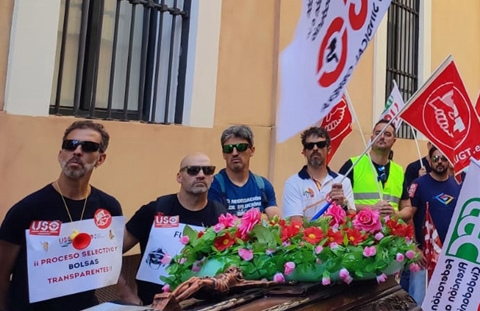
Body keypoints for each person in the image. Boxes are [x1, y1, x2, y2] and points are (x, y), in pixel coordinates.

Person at [0, 121, 123, 311]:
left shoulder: (109, 207)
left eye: (88, 147)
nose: (77, 151)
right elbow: (1, 272)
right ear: (60, 154)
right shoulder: (27, 209)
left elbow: (108, 264)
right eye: (70, 145)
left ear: (100, 159)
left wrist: (133, 299)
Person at [118, 153, 228, 305]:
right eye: (193, 170)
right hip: (152, 305)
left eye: (207, 170)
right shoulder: (154, 210)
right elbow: (111, 254)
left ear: (212, 177)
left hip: (204, 305)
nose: (201, 175)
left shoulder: (222, 216)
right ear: (179, 177)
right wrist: (127, 296)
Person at [398, 145, 458, 305]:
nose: (440, 162)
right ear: (429, 161)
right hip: (423, 257)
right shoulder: (418, 185)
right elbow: (408, 216)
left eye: (444, 158)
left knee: (446, 301)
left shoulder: (457, 185)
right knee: (419, 301)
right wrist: (415, 248)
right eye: (435, 158)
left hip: (448, 257)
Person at [282, 127, 354, 221]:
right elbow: (296, 223)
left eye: (320, 144)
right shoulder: (293, 183)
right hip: (306, 236)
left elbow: (352, 221)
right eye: (310, 146)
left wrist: (342, 205)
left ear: (329, 149)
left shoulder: (343, 181)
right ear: (304, 152)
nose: (315, 148)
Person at [209, 125, 279, 217]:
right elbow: (219, 223)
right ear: (223, 154)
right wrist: (261, 218)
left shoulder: (263, 185)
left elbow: (276, 219)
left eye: (241, 147)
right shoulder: (213, 185)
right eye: (228, 149)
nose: (234, 153)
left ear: (252, 151)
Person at [338, 120, 403, 217]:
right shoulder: (353, 164)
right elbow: (339, 202)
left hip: (391, 230)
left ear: (394, 141)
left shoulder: (399, 171)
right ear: (372, 137)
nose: (382, 137)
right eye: (378, 133)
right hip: (359, 230)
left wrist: (395, 214)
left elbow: (408, 208)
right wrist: (371, 208)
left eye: (387, 134)